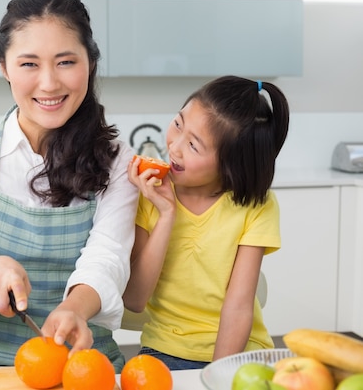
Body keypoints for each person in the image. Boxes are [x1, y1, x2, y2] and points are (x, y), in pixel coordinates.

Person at [0, 0, 138, 372]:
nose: (48, 83)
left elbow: (107, 257)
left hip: (82, 364)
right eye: (29, 64)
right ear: (4, 67)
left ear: (90, 64)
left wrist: (74, 310)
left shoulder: (118, 162)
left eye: (65, 62)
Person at [124, 76, 290, 370]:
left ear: (231, 164)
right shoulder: (148, 194)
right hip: (164, 351)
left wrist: (218, 376)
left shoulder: (256, 206)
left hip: (239, 352)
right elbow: (135, 299)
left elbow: (238, 308)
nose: (174, 147)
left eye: (194, 146)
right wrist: (166, 214)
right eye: (178, 124)